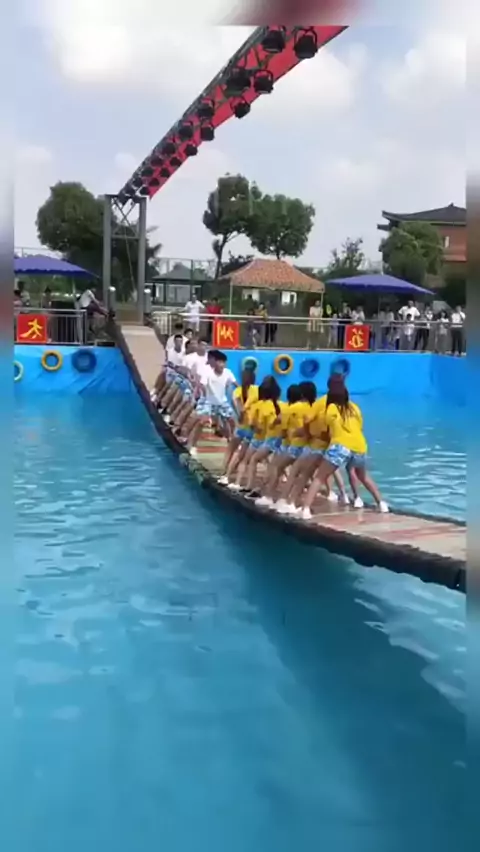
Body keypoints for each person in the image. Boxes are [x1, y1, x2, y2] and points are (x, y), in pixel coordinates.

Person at [300, 376, 388, 520]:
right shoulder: (354, 408)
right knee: (364, 476)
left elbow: (329, 430)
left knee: (320, 477)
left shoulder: (331, 408)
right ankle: (382, 504)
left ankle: (305, 509)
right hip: (360, 446)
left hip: (340, 446)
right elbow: (359, 427)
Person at [184, 351, 237, 452]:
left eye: (223, 362)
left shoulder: (228, 372)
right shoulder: (208, 373)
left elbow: (235, 383)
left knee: (232, 421)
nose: (221, 365)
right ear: (215, 363)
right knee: (201, 422)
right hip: (209, 402)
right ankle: (192, 446)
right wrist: (202, 395)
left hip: (222, 402)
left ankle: (231, 441)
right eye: (219, 362)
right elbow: (202, 385)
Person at [218, 368, 258, 484]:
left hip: (240, 426)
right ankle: (230, 473)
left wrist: (240, 417)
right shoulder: (256, 390)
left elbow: (238, 410)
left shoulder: (237, 391)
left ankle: (223, 472)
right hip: (251, 428)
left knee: (230, 449)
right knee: (240, 455)